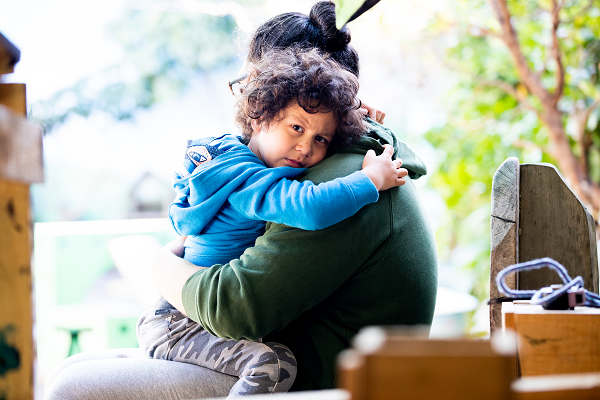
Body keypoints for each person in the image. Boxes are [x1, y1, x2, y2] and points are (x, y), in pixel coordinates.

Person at [44, 2, 438, 399]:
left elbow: (234, 310)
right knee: (73, 368)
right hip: (272, 350)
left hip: (317, 378)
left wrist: (159, 263)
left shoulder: (342, 180)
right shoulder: (326, 163)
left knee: (73, 388)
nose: (248, 103)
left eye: (250, 84)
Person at [135, 47, 407, 398]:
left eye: (321, 139)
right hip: (185, 323)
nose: (306, 147)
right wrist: (371, 179)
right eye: (296, 128)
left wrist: (355, 119)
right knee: (275, 363)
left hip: (181, 311)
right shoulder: (249, 181)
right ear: (258, 117)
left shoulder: (225, 160)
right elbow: (310, 208)